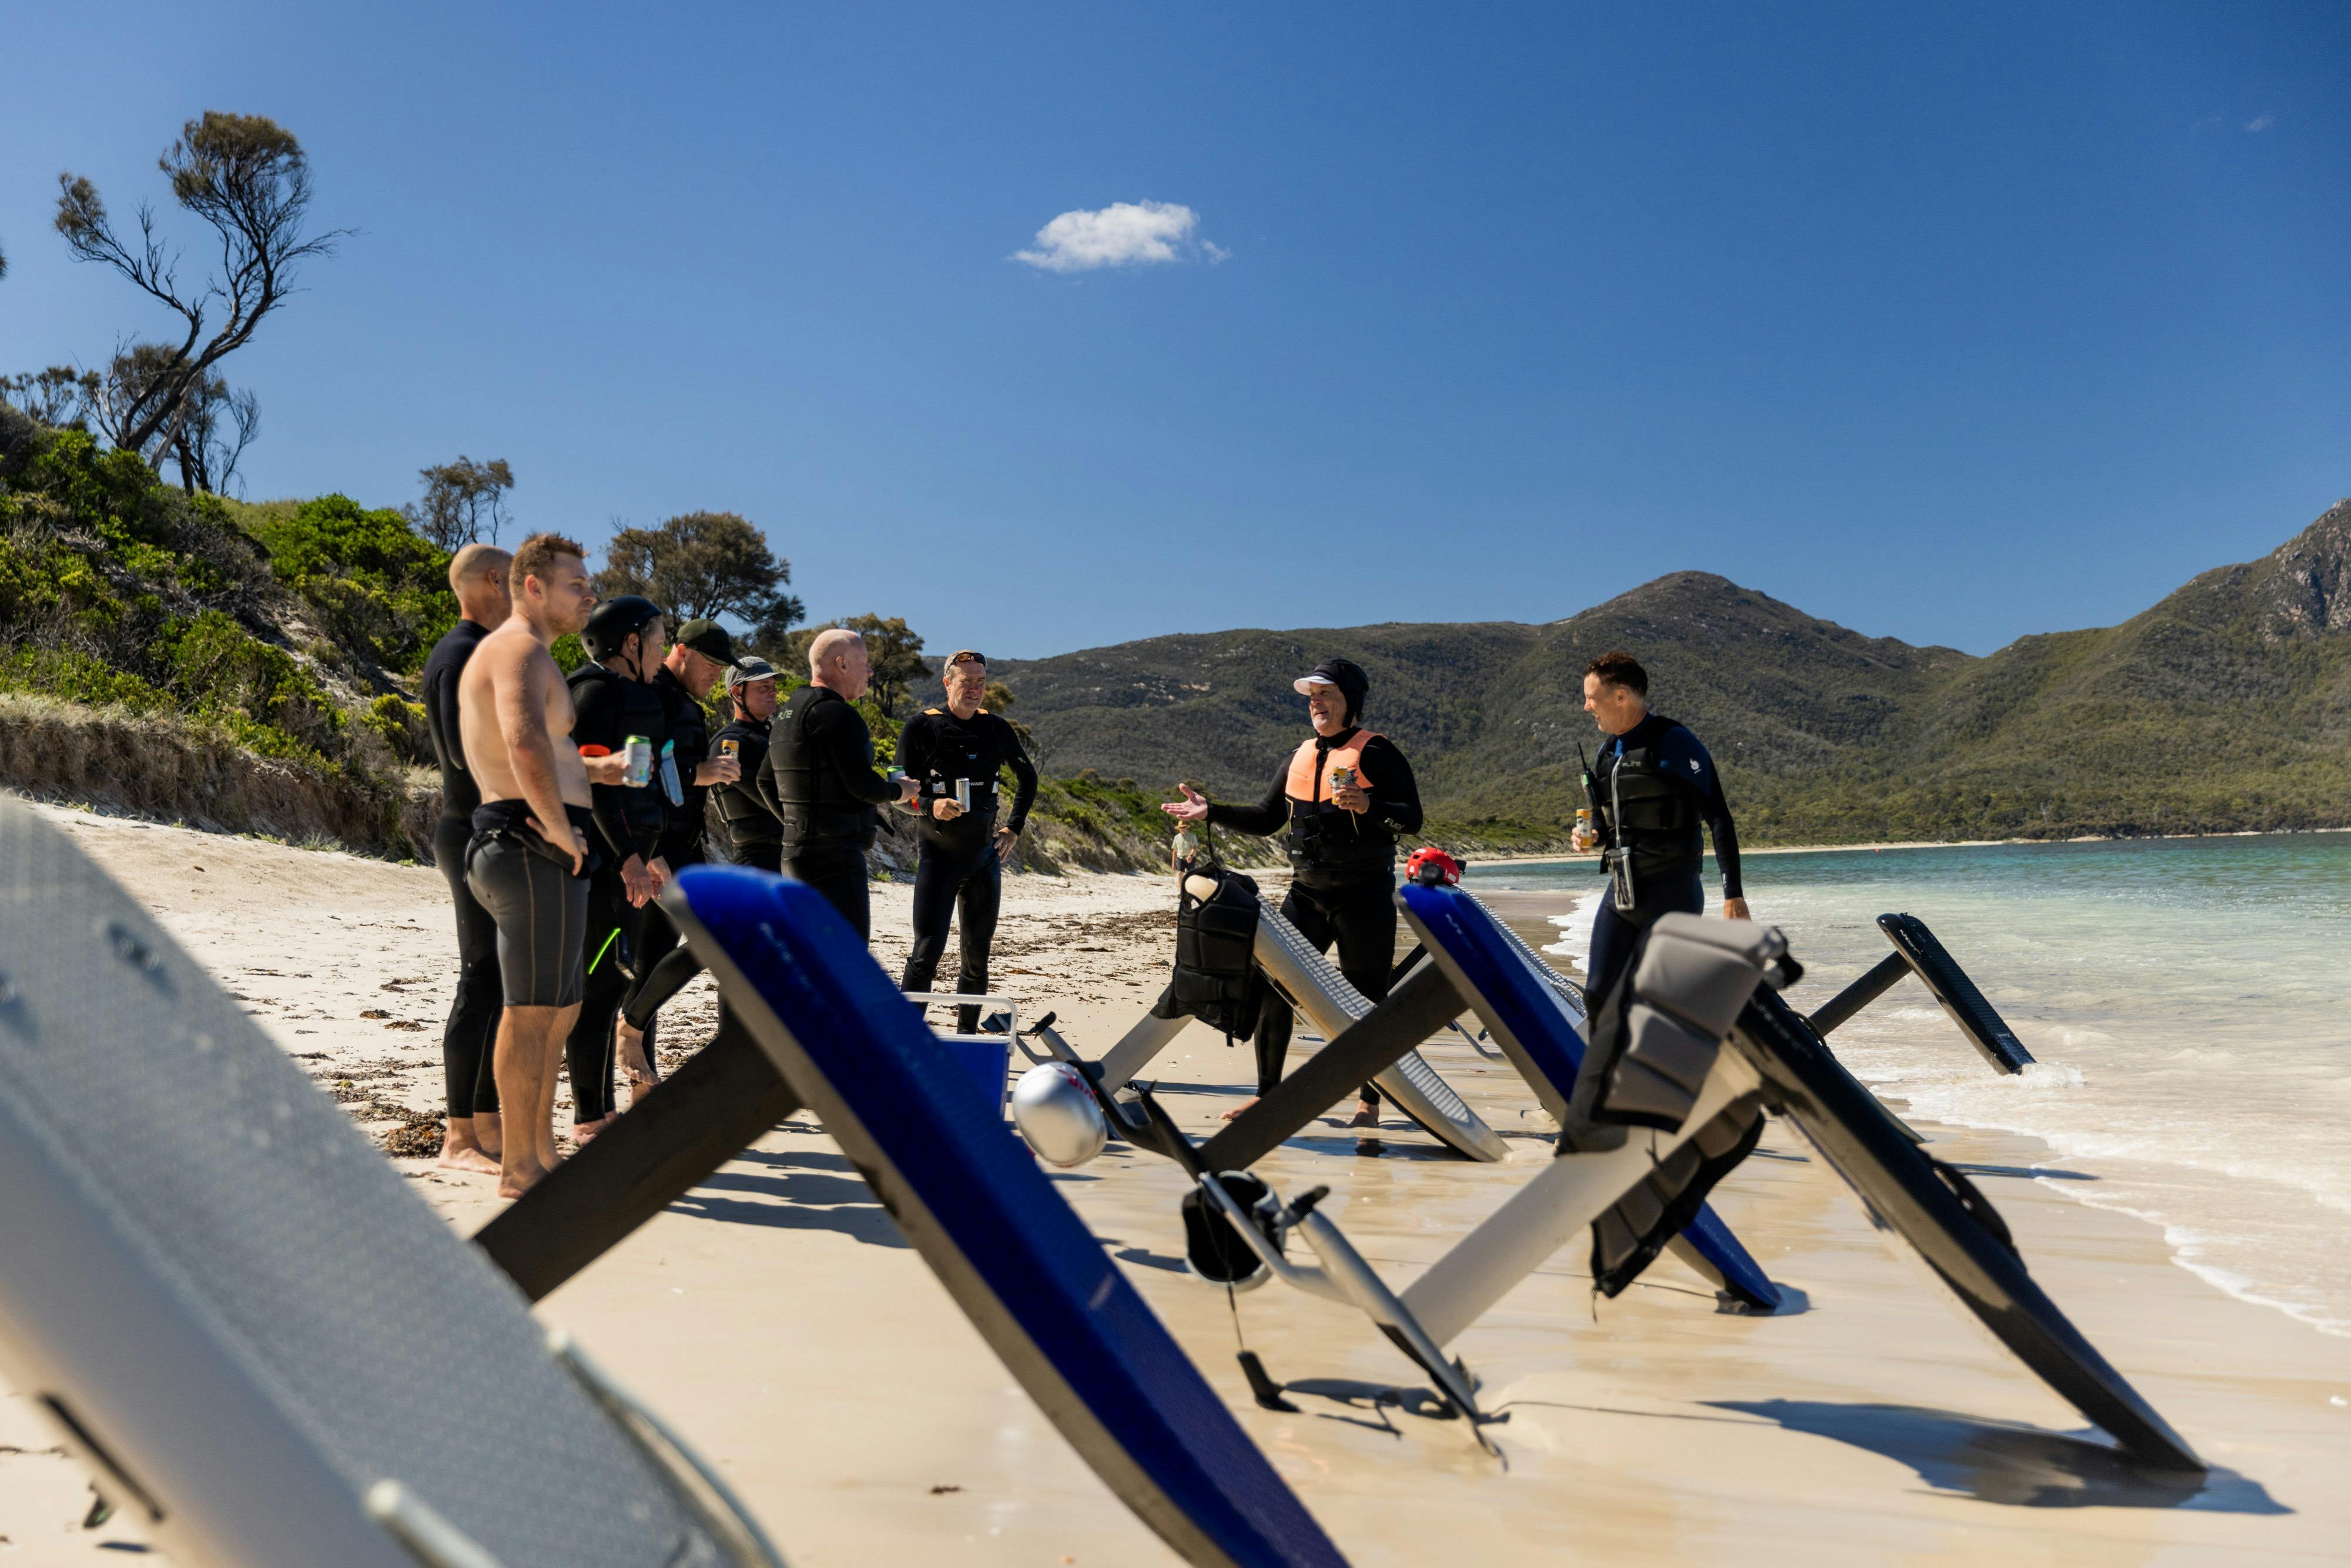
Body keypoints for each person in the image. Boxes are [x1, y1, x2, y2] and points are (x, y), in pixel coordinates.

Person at [1163, 657, 1422, 1129]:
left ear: (1351, 702)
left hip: (1364, 896)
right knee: (1270, 987)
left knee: (1366, 999)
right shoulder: (1300, 756)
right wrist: (1212, 812)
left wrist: (1368, 804)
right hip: (1308, 895)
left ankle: (1369, 1103)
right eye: (1312, 697)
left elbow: (1411, 818)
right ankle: (1268, 1094)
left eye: (1326, 695)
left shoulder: (1378, 752)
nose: (1317, 703)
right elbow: (1267, 818)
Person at [454, 532, 600, 1198]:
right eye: (577, 583)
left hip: (535, 843)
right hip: (525, 842)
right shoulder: (516, 648)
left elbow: (550, 748)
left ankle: (538, 1151)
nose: (589, 594)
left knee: (562, 1006)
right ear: (533, 587)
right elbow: (520, 740)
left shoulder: (534, 654)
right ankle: (519, 1168)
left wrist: (600, 771)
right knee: (533, 1009)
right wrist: (562, 830)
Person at [1568, 649, 1749, 1007]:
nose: (1586, 707)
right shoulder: (1607, 753)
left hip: (1671, 891)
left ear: (1620, 695)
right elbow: (1606, 823)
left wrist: (1734, 896)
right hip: (1622, 891)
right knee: (1598, 997)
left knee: (1659, 1003)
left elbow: (1719, 818)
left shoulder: (1673, 740)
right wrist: (1590, 836)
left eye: (1591, 698)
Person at [611, 620, 746, 1094]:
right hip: (661, 851)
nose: (717, 675)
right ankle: (635, 1062)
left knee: (676, 954)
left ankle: (636, 1056)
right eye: (711, 664)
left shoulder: (684, 701)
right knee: (655, 961)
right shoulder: (654, 696)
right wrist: (649, 853)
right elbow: (640, 775)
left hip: (687, 848)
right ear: (682, 652)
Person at [562, 595, 671, 1140]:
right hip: (606, 868)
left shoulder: (628, 693)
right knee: (598, 990)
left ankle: (599, 1113)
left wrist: (645, 855)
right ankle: (590, 1119)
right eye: (656, 639)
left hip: (625, 862)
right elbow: (596, 788)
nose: (662, 650)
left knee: (612, 984)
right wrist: (629, 859)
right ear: (631, 643)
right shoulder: (598, 691)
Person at [421, 542, 511, 1175]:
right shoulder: (461, 654)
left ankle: (485, 1123)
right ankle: (457, 1139)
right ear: (491, 581)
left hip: (486, 830)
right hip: (469, 831)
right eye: (516, 582)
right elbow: (461, 754)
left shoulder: (477, 651)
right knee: (480, 976)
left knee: (501, 979)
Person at [896, 651, 1039, 1033]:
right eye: (966, 681)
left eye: (981, 681)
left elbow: (1029, 779)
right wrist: (929, 805)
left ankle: (967, 1039)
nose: (975, 689)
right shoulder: (921, 727)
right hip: (938, 859)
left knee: (977, 958)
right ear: (947, 683)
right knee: (926, 954)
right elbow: (897, 790)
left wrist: (1014, 828)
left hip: (983, 861)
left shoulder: (996, 728)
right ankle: (907, 1040)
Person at [756, 627, 919, 940]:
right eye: (865, 662)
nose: (870, 671)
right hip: (835, 860)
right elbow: (862, 786)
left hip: (797, 854)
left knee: (812, 953)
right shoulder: (836, 714)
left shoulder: (790, 711)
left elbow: (764, 780)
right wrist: (901, 791)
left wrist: (797, 826)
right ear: (842, 664)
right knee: (848, 954)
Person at [710, 656, 783, 870]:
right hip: (756, 860)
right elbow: (771, 798)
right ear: (737, 693)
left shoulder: (773, 738)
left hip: (785, 857)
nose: (773, 692)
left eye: (773, 686)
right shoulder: (730, 743)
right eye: (763, 687)